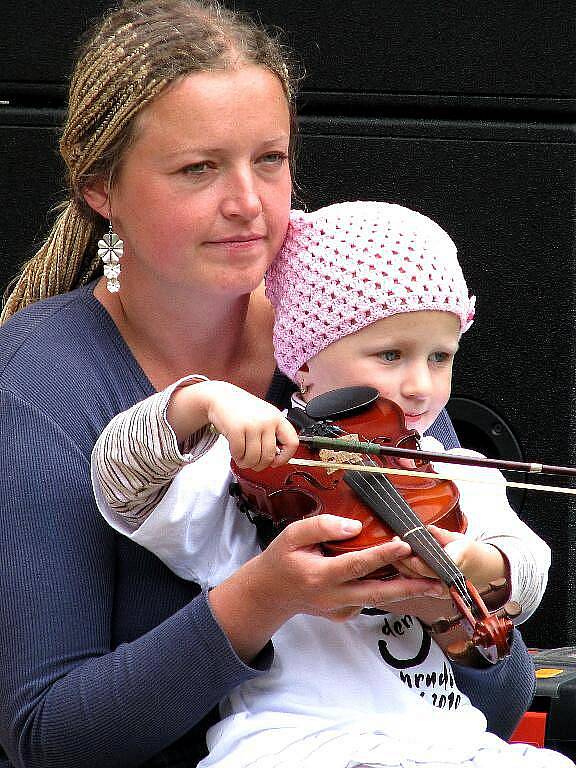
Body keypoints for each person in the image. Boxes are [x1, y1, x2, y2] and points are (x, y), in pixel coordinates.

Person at [0, 0, 537, 765]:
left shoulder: (350, 337)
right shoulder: (41, 387)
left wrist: (453, 610)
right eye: (198, 168)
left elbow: (500, 702)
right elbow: (45, 737)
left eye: (270, 160)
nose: (249, 204)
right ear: (98, 188)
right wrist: (264, 599)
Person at [91, 201, 565, 768]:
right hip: (296, 742)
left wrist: (481, 565)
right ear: (306, 361)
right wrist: (201, 400)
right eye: (390, 354)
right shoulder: (260, 468)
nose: (421, 385)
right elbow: (121, 481)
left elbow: (528, 570)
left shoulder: (450, 472)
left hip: (445, 742)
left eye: (441, 357)